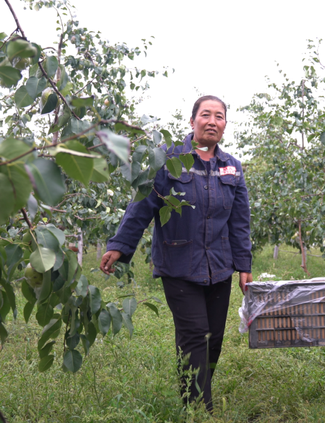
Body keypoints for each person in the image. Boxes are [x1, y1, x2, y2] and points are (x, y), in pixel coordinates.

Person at [100, 95, 253, 411]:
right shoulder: (168, 160)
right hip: (179, 265)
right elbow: (142, 204)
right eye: (206, 114)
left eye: (219, 116)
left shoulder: (232, 168)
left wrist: (244, 266)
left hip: (220, 267)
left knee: (214, 339)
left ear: (225, 124)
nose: (212, 121)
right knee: (195, 335)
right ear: (192, 120)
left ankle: (195, 393)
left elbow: (239, 222)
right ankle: (199, 408)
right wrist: (119, 245)